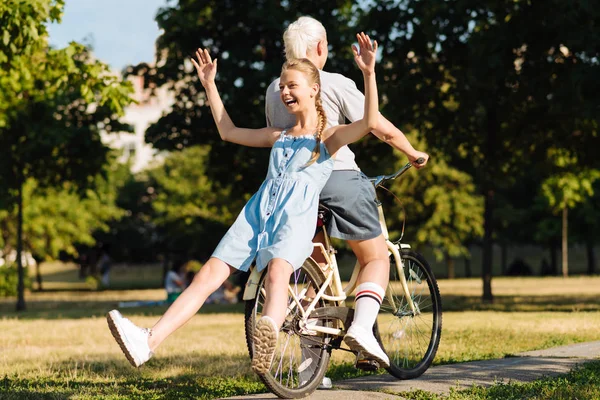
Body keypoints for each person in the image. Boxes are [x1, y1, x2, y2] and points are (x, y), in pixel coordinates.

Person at [106, 33, 381, 376]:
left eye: (292, 85)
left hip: (294, 218)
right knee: (207, 274)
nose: (284, 91)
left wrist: (369, 73)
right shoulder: (278, 136)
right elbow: (228, 131)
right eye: (282, 86)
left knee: (279, 272)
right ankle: (147, 341)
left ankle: (267, 333)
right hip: (256, 213)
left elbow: (369, 123)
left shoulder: (329, 136)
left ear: (314, 90)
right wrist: (210, 86)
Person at [265, 16, 429, 375]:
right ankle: (361, 331)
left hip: (294, 187)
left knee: (316, 272)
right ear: (320, 47)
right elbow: (378, 125)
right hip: (338, 177)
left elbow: (276, 140)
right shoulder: (333, 83)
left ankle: (309, 373)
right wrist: (411, 151)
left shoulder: (275, 89)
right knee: (374, 258)